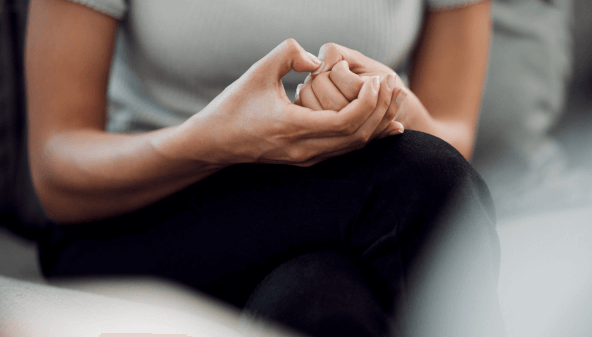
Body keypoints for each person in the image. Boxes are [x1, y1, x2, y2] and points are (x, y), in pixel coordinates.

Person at [26, 0, 504, 336]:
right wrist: (212, 140)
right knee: (417, 179)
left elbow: (453, 132)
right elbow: (56, 173)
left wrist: (391, 105)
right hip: (140, 219)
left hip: (338, 210)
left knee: (319, 308)